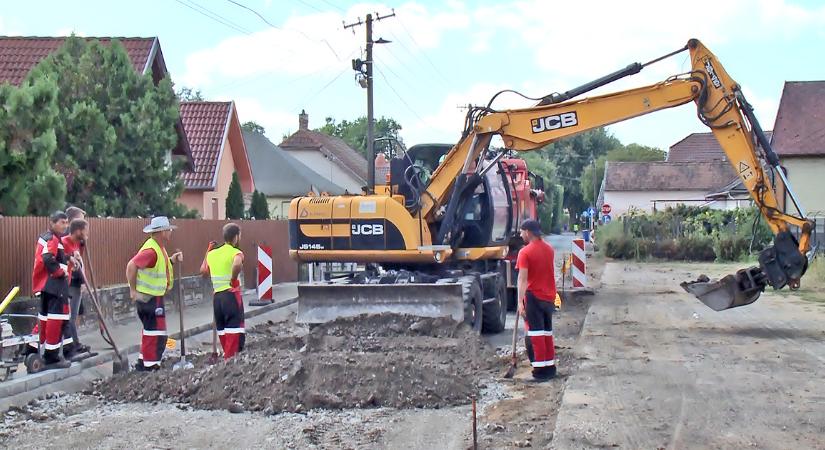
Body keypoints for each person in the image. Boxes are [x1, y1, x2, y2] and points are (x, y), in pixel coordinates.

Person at [125, 216, 183, 371]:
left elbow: (157, 267)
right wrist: (132, 289)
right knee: (157, 334)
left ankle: (143, 361)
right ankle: (151, 365)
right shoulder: (151, 250)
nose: (170, 232)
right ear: (162, 232)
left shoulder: (158, 247)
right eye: (169, 230)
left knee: (150, 331)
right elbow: (132, 265)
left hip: (151, 297)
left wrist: (171, 260)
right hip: (149, 298)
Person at [32, 211, 79, 367]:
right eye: (62, 222)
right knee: (57, 319)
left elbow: (53, 255)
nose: (65, 226)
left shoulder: (47, 237)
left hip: (45, 286)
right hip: (55, 285)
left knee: (44, 318)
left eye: (66, 223)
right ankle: (52, 357)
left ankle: (36, 349)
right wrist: (61, 271)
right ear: (52, 223)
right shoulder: (53, 239)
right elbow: (48, 258)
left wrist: (67, 257)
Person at [516, 219, 557, 381]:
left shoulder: (525, 253)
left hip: (534, 296)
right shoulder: (549, 249)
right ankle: (550, 367)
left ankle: (539, 371)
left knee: (536, 334)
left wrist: (520, 302)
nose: (520, 234)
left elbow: (522, 279)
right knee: (547, 332)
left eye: (521, 232)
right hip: (549, 296)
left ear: (528, 232)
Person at [200, 223, 245, 359]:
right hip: (231, 296)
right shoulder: (235, 252)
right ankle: (231, 360)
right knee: (234, 328)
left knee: (222, 329)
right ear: (236, 237)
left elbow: (203, 271)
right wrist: (233, 278)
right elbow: (237, 264)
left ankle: (227, 356)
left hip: (217, 299)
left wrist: (207, 252)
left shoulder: (212, 254)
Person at [61, 218, 91, 354]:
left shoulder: (78, 244)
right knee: (69, 317)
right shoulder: (64, 243)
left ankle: (74, 344)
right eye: (85, 231)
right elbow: (62, 259)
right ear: (78, 231)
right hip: (68, 284)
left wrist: (84, 281)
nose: (87, 234)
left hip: (77, 283)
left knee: (73, 316)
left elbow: (80, 264)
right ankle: (73, 345)